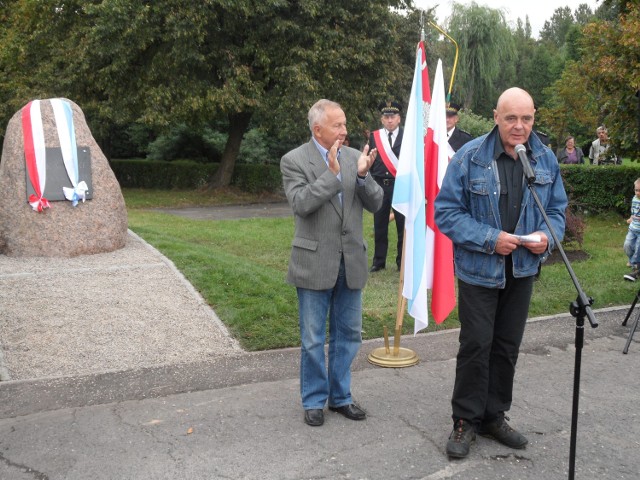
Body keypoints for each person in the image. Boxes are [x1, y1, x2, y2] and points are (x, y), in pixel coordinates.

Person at [434, 87, 567, 459]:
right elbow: (446, 213)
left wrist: (547, 236)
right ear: (496, 116)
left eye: (526, 118)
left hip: (522, 269)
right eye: (511, 118)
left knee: (507, 346)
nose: (519, 126)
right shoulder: (469, 156)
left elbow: (556, 211)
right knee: (476, 344)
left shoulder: (543, 158)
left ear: (534, 117)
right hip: (479, 269)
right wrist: (491, 239)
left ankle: (494, 415)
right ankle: (465, 420)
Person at [280, 99, 383, 427]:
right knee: (312, 337)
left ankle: (341, 397)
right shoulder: (294, 160)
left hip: (351, 260)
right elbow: (301, 204)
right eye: (338, 125)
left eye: (344, 124)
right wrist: (332, 176)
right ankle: (313, 399)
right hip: (313, 262)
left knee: (348, 334)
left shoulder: (355, 157)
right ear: (318, 129)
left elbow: (377, 204)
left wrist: (364, 177)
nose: (344, 130)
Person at [368, 101, 405, 272]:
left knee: (401, 225)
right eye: (386, 117)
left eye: (393, 117)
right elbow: (371, 159)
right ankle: (379, 261)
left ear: (399, 118)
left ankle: (401, 261)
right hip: (380, 185)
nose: (390, 120)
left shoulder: (408, 135)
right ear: (382, 119)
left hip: (401, 185)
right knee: (380, 224)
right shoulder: (375, 137)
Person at [623, 178, 640, 282]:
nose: (637, 192)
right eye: (636, 190)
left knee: (638, 249)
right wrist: (631, 218)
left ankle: (635, 267)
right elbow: (634, 212)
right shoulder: (634, 198)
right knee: (627, 245)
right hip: (633, 228)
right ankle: (631, 260)